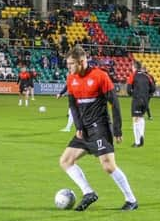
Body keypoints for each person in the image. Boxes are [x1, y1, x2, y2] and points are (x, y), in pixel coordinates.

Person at [59, 45, 138, 211]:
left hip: (100, 127)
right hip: (85, 130)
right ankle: (88, 192)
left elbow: (114, 103)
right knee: (65, 161)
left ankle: (131, 200)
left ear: (82, 62)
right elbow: (72, 105)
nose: (69, 67)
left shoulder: (100, 76)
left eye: (71, 64)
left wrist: (117, 129)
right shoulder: (71, 79)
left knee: (108, 166)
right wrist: (79, 127)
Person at [127, 61, 156, 147]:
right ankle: (141, 136)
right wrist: (147, 95)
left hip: (137, 99)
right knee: (141, 117)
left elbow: (128, 90)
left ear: (134, 67)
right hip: (146, 101)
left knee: (135, 119)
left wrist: (133, 94)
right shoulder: (147, 76)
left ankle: (137, 141)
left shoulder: (133, 75)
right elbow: (153, 88)